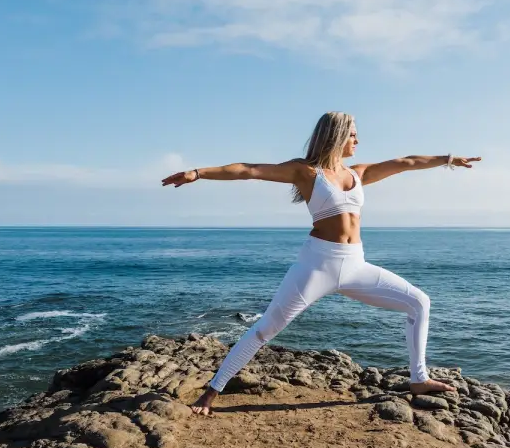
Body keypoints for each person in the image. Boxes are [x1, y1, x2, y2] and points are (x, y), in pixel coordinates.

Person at [160, 111, 481, 415]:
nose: (358, 140)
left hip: (356, 265)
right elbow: (248, 169)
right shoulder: (305, 172)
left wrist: (448, 160)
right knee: (264, 330)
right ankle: (211, 391)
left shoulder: (359, 173)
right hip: (317, 265)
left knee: (419, 302)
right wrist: (198, 173)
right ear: (337, 136)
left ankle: (419, 378)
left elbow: (406, 162)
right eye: (353, 134)